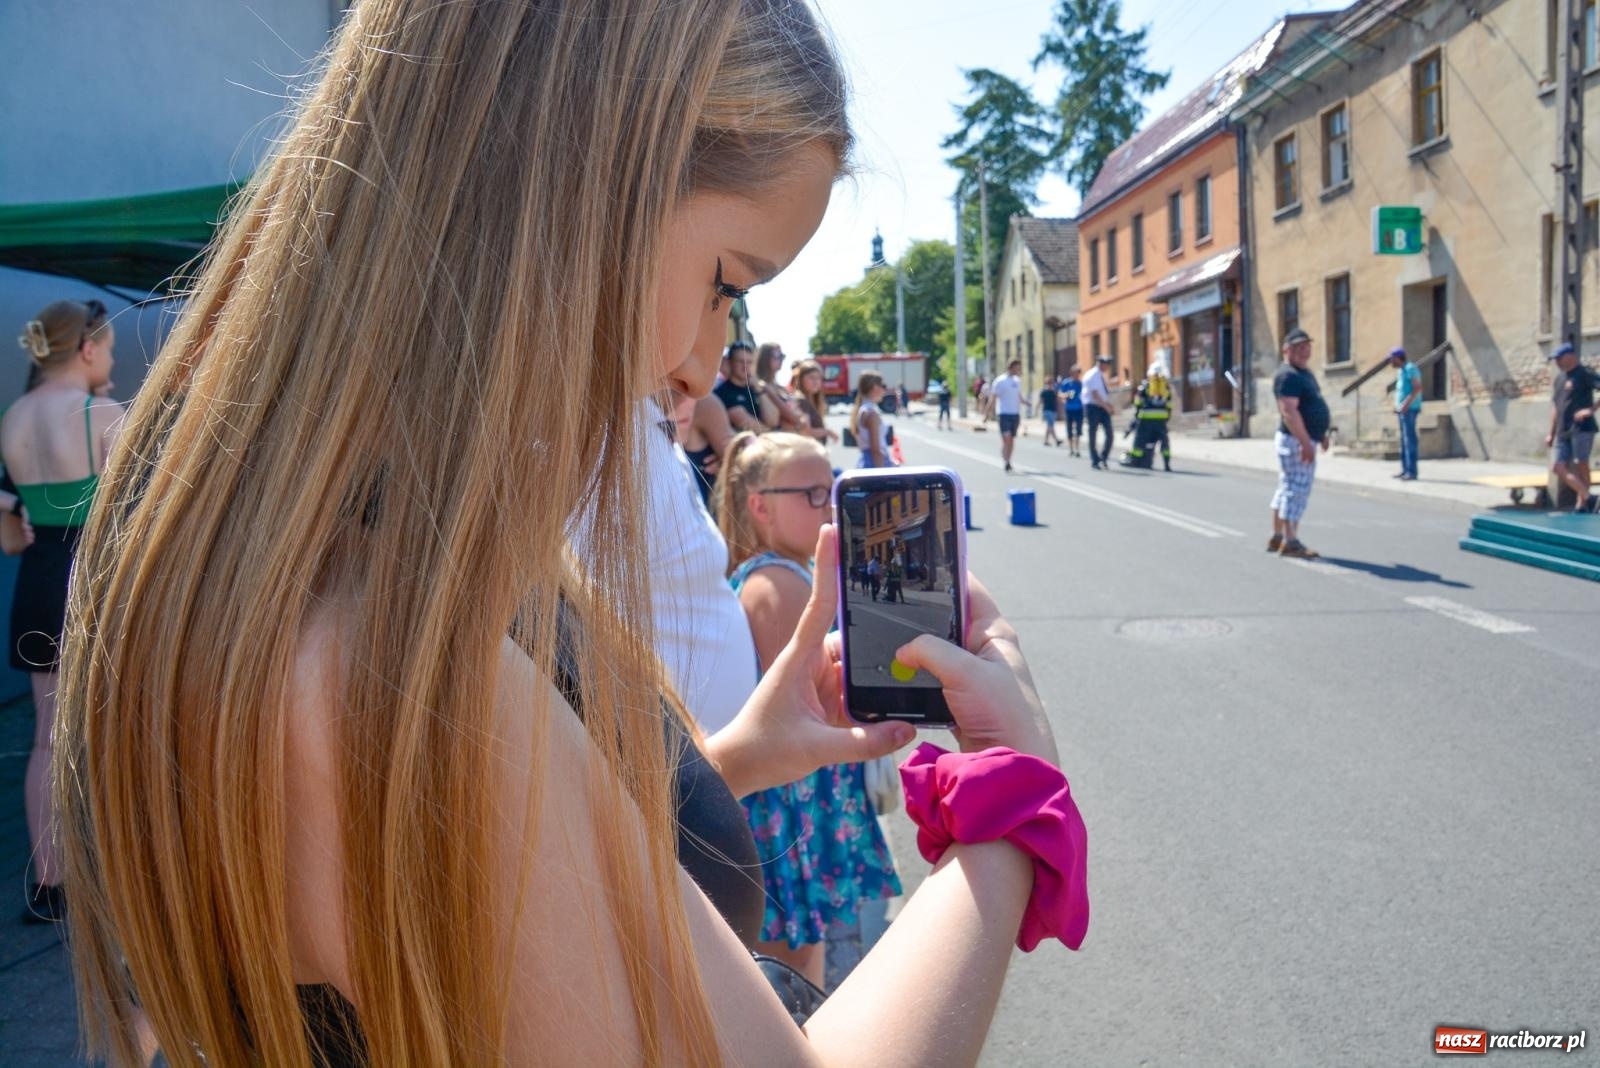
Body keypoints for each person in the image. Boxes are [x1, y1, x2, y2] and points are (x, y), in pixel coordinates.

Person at [57, 4, 1082, 1065]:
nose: (701, 363)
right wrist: (1011, 803)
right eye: (726, 284)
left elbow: (536, 885)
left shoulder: (317, 551)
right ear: (576, 190)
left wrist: (730, 759)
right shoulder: (385, 663)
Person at [714, 431, 901, 987]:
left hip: (796, 794)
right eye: (813, 494)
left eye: (832, 488)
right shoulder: (780, 586)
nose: (829, 506)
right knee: (795, 968)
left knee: (799, 959)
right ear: (761, 506)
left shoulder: (778, 572)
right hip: (793, 804)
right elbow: (812, 702)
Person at [6, 298, 123, 923]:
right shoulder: (103, 414)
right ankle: (119, 881)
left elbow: (10, 537)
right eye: (107, 351)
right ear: (85, 349)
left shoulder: (15, 415)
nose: (110, 363)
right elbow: (139, 512)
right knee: (110, 734)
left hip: (38, 584)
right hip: (96, 588)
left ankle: (49, 885)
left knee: (48, 738)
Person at [648, 396, 759, 733]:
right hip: (678, 739)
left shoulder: (667, 446)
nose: (685, 397)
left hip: (712, 742)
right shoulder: (642, 451)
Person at [1269, 328, 1332, 558]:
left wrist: (1321, 433)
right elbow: (1289, 411)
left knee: (1286, 487)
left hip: (1302, 437)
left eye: (1307, 347)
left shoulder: (1303, 373)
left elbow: (1311, 405)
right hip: (1295, 440)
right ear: (1286, 350)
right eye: (1298, 347)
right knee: (1296, 490)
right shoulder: (1288, 375)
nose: (1304, 351)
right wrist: (1305, 442)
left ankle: (1278, 536)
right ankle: (1291, 541)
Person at [1545, 342, 1597, 513]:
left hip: (1582, 428)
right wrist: (1551, 432)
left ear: (1571, 356)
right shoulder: (1559, 379)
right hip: (1562, 430)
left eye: (1560, 358)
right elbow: (1555, 407)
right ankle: (1589, 497)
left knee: (1581, 464)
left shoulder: (1584, 373)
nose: (1557, 362)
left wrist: (1590, 410)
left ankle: (1581, 504)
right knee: (1557, 466)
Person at [1120, 363, 1173, 471]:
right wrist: (1165, 418)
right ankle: (1167, 464)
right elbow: (1169, 406)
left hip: (1145, 420)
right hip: (1161, 421)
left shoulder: (1144, 388)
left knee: (1139, 441)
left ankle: (1136, 461)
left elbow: (1138, 404)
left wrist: (1136, 419)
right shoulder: (1166, 389)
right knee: (1164, 443)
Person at [756, 342, 808, 432]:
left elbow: (800, 416)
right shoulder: (760, 386)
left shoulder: (780, 388)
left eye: (782, 356)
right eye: (777, 355)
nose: (781, 359)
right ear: (765, 358)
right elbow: (793, 418)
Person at [715, 339, 765, 432]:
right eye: (741, 361)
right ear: (730, 362)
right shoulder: (722, 392)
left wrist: (760, 391)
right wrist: (773, 432)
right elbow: (750, 425)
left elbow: (773, 420)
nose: (745, 366)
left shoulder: (755, 389)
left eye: (749, 362)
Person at [986, 358, 1025, 471]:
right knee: (1006, 438)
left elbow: (1018, 396)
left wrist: (1026, 402)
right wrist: (986, 414)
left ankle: (1008, 460)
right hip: (1003, 414)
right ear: (1011, 367)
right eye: (1017, 368)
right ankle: (1006, 461)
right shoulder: (1000, 381)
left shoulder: (1017, 381)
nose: (1019, 370)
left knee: (1011, 439)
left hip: (1015, 413)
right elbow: (993, 398)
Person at [789, 358, 839, 445]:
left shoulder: (811, 399)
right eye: (811, 377)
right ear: (801, 379)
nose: (816, 382)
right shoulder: (801, 400)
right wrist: (828, 432)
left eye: (818, 378)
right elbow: (806, 431)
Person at [1390, 347, 1422, 482]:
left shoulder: (1410, 368)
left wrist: (1405, 404)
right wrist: (1397, 405)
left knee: (1409, 440)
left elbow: (1417, 388)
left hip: (1410, 409)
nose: (1391, 362)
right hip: (1403, 409)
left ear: (1398, 358)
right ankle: (1405, 469)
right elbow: (1402, 390)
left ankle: (1412, 472)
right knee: (1404, 440)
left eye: (1392, 359)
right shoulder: (1401, 371)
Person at [849, 370, 892, 468]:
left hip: (867, 461)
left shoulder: (862, 410)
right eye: (883, 386)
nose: (884, 390)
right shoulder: (871, 413)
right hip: (875, 463)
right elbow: (876, 450)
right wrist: (881, 472)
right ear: (875, 387)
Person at [1082, 355, 1115, 469]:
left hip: (1101, 406)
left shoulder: (1100, 375)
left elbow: (1102, 394)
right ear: (1102, 364)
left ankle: (1103, 457)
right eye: (1107, 364)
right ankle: (1095, 459)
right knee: (1093, 433)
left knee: (1109, 434)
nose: (1108, 367)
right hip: (1093, 407)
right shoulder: (1093, 375)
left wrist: (1108, 405)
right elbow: (1095, 395)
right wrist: (1106, 407)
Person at [1059, 365, 1084, 457]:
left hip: (1079, 408)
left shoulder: (1081, 384)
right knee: (1069, 429)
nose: (1077, 375)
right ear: (1072, 373)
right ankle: (1071, 449)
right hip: (1069, 408)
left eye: (1078, 373)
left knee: (1078, 430)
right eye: (1076, 373)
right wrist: (1066, 395)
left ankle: (1077, 448)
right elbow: (1060, 394)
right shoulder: (1066, 383)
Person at [1039, 375, 1063, 447]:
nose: (1050, 384)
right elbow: (1041, 401)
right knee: (1050, 425)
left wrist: (1060, 409)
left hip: (1053, 410)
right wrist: (1037, 409)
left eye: (1051, 382)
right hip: (1047, 410)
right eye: (1049, 382)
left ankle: (1046, 440)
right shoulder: (1044, 391)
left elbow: (1057, 400)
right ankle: (1056, 440)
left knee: (1049, 426)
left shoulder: (1054, 391)